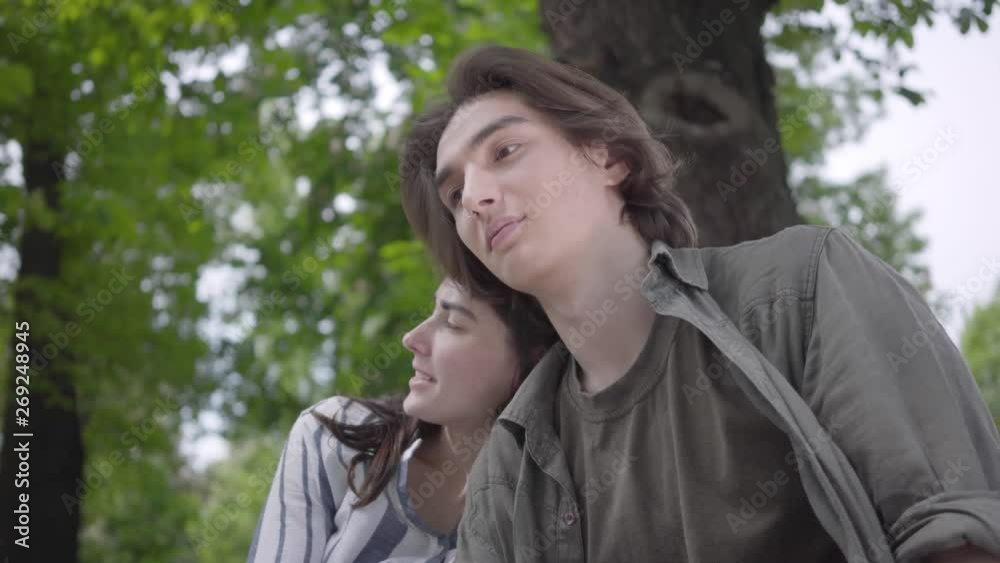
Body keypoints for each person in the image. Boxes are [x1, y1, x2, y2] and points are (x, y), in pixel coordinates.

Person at [398, 44, 1000, 563]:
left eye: (504, 151)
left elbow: (954, 530)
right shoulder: (508, 469)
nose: (473, 198)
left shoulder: (804, 289)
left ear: (609, 157)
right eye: (454, 193)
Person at [246, 277, 556, 563]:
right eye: (432, 312)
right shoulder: (336, 437)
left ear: (531, 361)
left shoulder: (541, 519)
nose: (411, 338)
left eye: (452, 323)